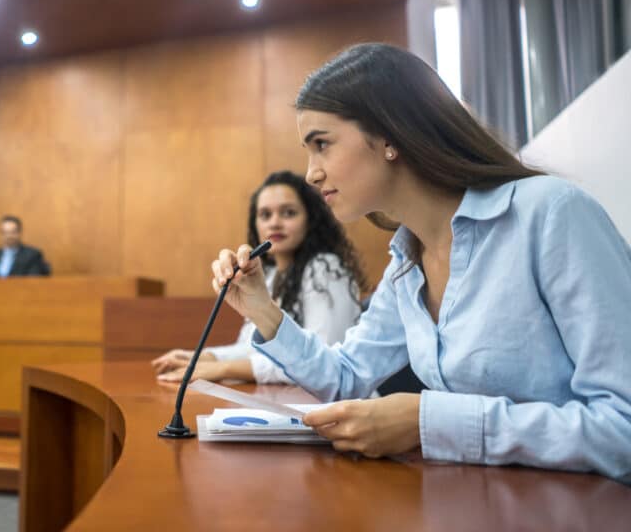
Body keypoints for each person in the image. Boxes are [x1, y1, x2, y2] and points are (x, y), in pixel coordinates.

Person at [210, 43, 631, 482]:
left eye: (322, 144)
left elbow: (624, 426)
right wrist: (261, 307)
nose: (311, 172)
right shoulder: (406, 263)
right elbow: (347, 377)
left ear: (390, 136)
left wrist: (427, 421)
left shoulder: (550, 214)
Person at [153, 170, 365, 384]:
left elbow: (322, 361)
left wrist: (221, 369)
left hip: (343, 406)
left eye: (289, 213)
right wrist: (202, 357)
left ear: (311, 220)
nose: (274, 223)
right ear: (255, 224)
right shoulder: (270, 276)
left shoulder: (325, 268)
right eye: (265, 215)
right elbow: (252, 348)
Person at [0, 215, 50, 279]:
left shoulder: (32, 255)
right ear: (1, 234)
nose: (9, 236)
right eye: (5, 232)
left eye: (13, 232)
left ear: (19, 232)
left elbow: (33, 280)